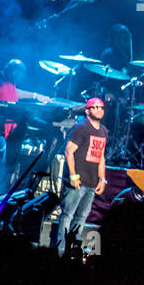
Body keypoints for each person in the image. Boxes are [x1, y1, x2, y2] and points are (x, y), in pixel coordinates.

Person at [55, 97, 109, 256]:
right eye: (95, 107)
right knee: (67, 215)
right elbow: (69, 151)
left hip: (91, 183)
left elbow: (101, 157)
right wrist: (72, 175)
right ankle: (60, 250)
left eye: (102, 107)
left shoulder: (103, 131)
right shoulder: (81, 128)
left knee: (81, 217)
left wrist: (102, 178)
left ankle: (72, 250)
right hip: (77, 182)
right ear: (87, 111)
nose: (99, 109)